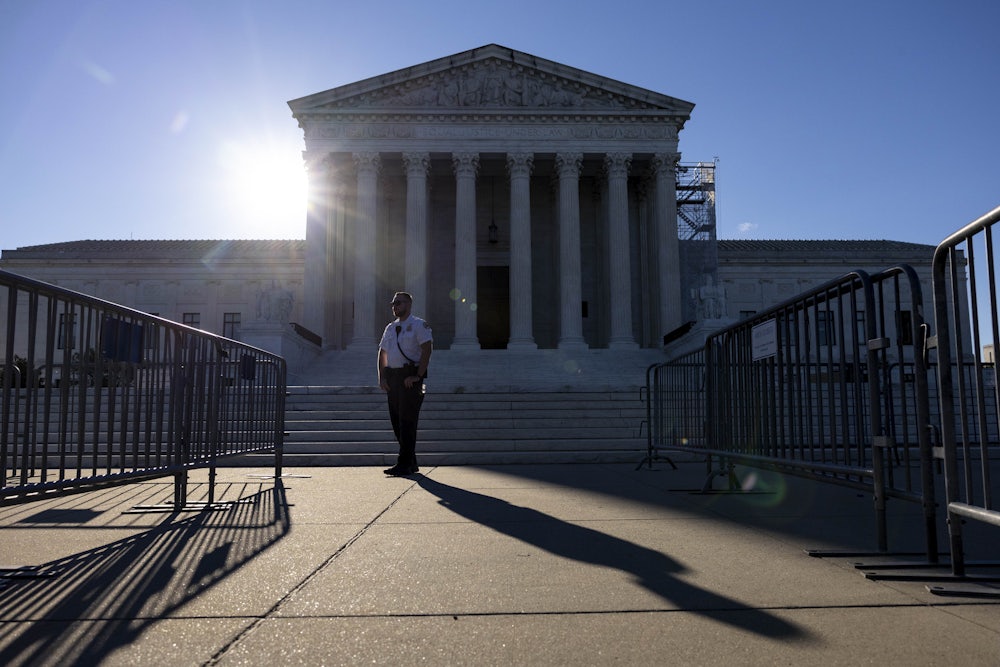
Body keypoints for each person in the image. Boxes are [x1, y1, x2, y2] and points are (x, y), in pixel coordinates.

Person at [378, 291, 433, 476]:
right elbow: (382, 353)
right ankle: (411, 462)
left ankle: (403, 464)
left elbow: (427, 349)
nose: (395, 306)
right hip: (393, 378)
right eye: (393, 303)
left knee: (407, 421)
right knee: (396, 423)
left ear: (408, 305)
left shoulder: (418, 325)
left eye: (398, 303)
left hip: (410, 378)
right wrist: (382, 377)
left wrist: (418, 375)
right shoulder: (390, 328)